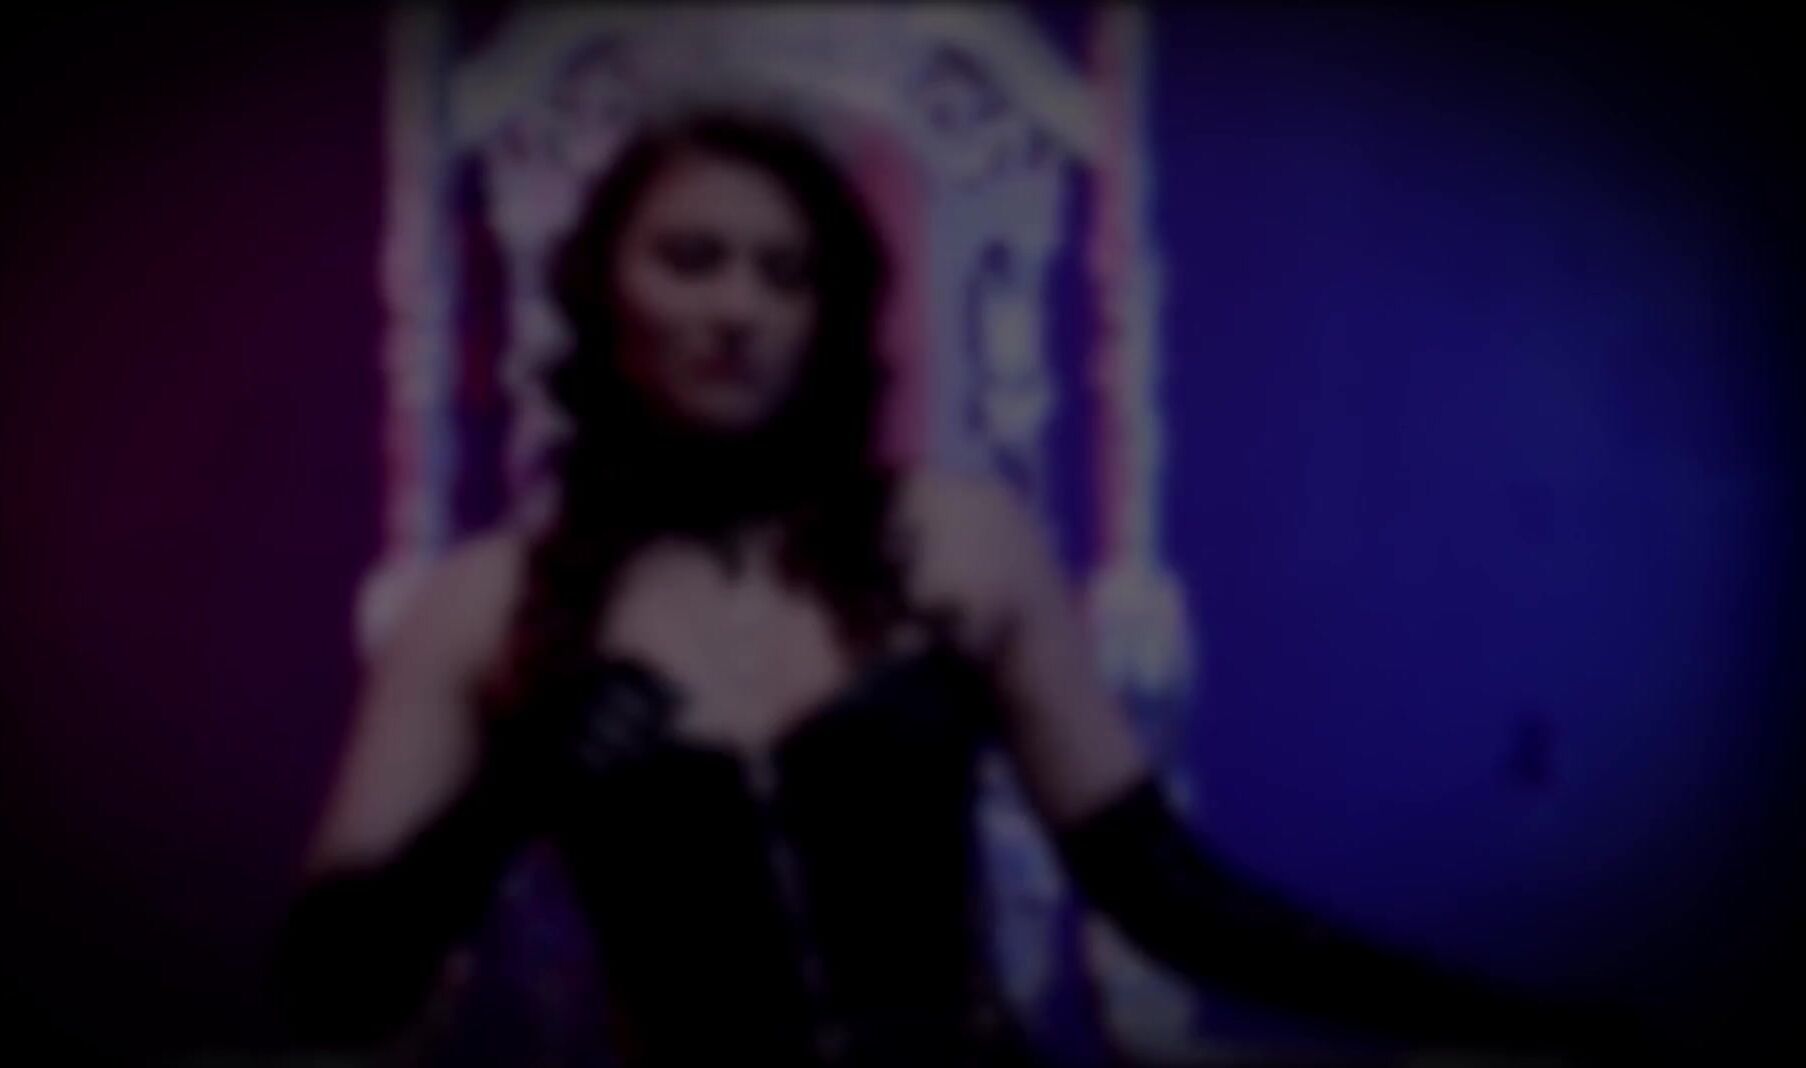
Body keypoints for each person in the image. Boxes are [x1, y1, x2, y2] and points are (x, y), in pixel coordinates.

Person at [276, 109, 1634, 1066]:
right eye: (691, 259)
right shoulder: (483, 605)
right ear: (602, 293)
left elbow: (1165, 897)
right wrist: (508, 794)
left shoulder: (959, 540)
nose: (740, 308)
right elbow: (328, 993)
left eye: (787, 273)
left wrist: (1500, 1022)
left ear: (827, 318)